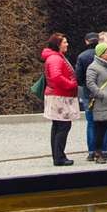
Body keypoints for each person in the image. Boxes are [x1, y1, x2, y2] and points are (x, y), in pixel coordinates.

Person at [40, 32, 79, 167]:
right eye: (64, 42)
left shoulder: (54, 57)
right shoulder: (55, 58)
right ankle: (59, 157)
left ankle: (58, 156)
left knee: (58, 126)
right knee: (63, 126)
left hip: (57, 95)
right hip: (59, 96)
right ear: (58, 45)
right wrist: (71, 84)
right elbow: (56, 77)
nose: (67, 44)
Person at [74, 32, 101, 161]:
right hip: (103, 91)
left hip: (88, 92)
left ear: (86, 41)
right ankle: (105, 150)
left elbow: (78, 77)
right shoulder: (104, 54)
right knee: (104, 121)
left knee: (91, 123)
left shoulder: (82, 56)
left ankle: (91, 152)